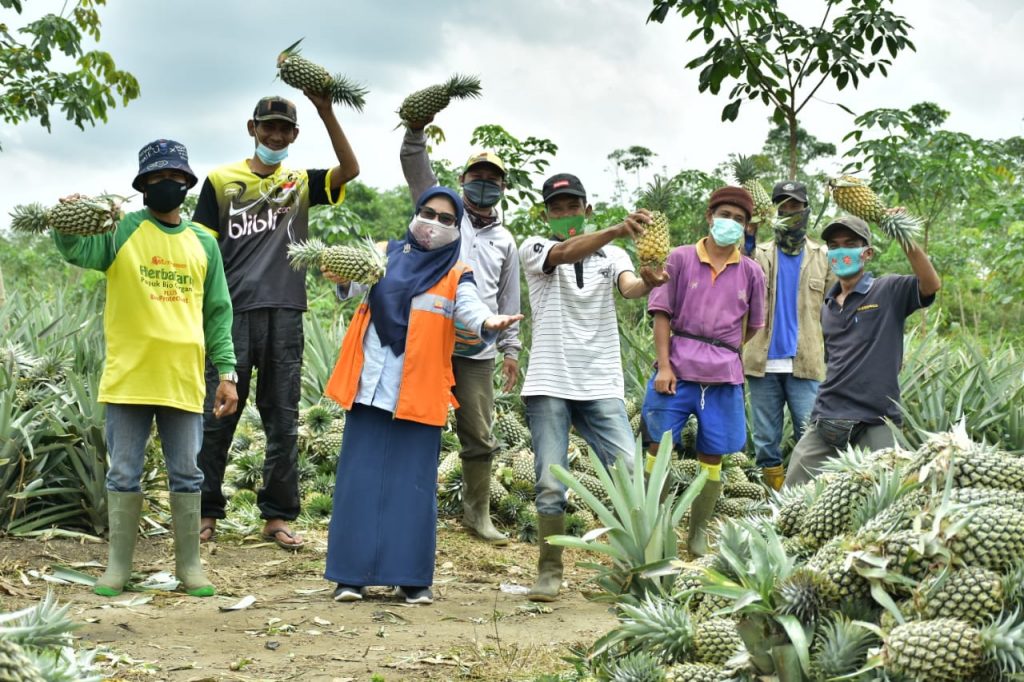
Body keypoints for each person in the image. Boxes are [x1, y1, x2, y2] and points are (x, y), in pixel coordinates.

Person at [52, 140, 238, 597]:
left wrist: (228, 372)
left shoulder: (203, 244)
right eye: (154, 180)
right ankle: (118, 569)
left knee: (188, 474)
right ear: (141, 187)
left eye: (172, 178)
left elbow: (218, 311)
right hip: (130, 376)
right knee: (123, 473)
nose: (165, 186)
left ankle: (189, 568)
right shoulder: (121, 232)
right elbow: (78, 252)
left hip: (182, 376)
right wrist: (66, 221)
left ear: (187, 184)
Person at [320, 186, 522, 605]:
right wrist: (340, 276)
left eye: (447, 219)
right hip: (371, 386)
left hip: (420, 391)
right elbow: (351, 282)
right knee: (359, 482)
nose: (434, 224)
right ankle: (350, 577)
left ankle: (411, 579)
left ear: (458, 228)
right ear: (415, 214)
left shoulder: (457, 272)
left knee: (412, 488)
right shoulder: (383, 253)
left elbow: (468, 308)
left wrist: (490, 321)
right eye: (428, 213)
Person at [191, 93, 359, 550]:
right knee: (218, 415)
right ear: (252, 128)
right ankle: (206, 511)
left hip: (286, 312)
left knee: (282, 419)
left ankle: (278, 515)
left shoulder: (300, 181)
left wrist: (327, 111)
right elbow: (201, 250)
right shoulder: (221, 180)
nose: (276, 135)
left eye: (285, 129)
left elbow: (351, 170)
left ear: (295, 134)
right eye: (269, 127)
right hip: (232, 313)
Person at [520, 173, 669, 601]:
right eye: (557, 208)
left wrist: (651, 281)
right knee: (550, 481)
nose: (565, 215)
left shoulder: (614, 254)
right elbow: (564, 252)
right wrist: (618, 227)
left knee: (629, 473)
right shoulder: (535, 247)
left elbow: (630, 288)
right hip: (551, 379)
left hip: (600, 380)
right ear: (547, 214)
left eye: (573, 207)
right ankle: (549, 570)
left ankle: (635, 568)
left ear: (587, 209)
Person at [400, 121, 522, 546]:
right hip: (430, 340)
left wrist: (511, 350)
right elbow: (414, 166)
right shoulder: (446, 219)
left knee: (478, 433)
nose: (484, 185)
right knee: (418, 424)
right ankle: (414, 510)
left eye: (492, 180)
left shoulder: (505, 239)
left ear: (503, 186)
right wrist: (414, 131)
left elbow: (509, 298)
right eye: (477, 178)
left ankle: (477, 515)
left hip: (477, 349)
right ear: (462, 181)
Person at [643, 186, 766, 557]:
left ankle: (696, 534)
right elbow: (661, 314)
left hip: (724, 373)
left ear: (747, 228)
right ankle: (655, 529)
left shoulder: (751, 272)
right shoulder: (679, 259)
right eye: (725, 215)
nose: (731, 224)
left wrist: (724, 352)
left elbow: (754, 324)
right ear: (709, 217)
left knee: (714, 454)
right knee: (658, 445)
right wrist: (664, 365)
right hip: (676, 368)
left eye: (740, 220)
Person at [784, 215, 941, 486]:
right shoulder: (828, 305)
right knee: (792, 492)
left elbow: (930, 284)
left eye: (850, 243)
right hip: (828, 416)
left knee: (893, 493)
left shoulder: (888, 290)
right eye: (834, 245)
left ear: (866, 253)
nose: (841, 250)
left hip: (875, 418)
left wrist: (904, 236)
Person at [741, 181, 833, 490]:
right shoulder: (759, 253)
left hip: (806, 362)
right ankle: (773, 495)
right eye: (783, 206)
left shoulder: (823, 257)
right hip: (762, 360)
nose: (790, 212)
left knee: (810, 432)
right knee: (765, 439)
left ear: (806, 210)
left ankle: (808, 493)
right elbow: (738, 272)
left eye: (796, 206)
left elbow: (835, 308)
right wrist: (750, 231)